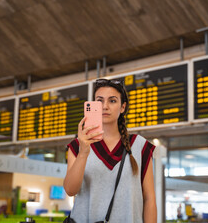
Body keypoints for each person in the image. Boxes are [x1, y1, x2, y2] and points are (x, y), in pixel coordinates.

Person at [63, 79, 157, 223]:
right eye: (99, 101)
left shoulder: (139, 146)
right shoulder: (77, 146)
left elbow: (149, 198)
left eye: (112, 101)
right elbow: (70, 190)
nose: (105, 106)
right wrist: (83, 152)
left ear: (122, 107)